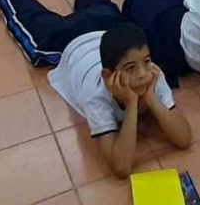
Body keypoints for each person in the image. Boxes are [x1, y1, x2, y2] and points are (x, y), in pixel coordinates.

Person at [51, 19, 191, 178]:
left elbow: (184, 139)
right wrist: (131, 105)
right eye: (131, 68)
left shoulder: (153, 74)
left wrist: (151, 99)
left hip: (104, 24)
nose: (143, 74)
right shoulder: (95, 95)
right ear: (108, 76)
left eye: (146, 61)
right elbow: (121, 168)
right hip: (71, 41)